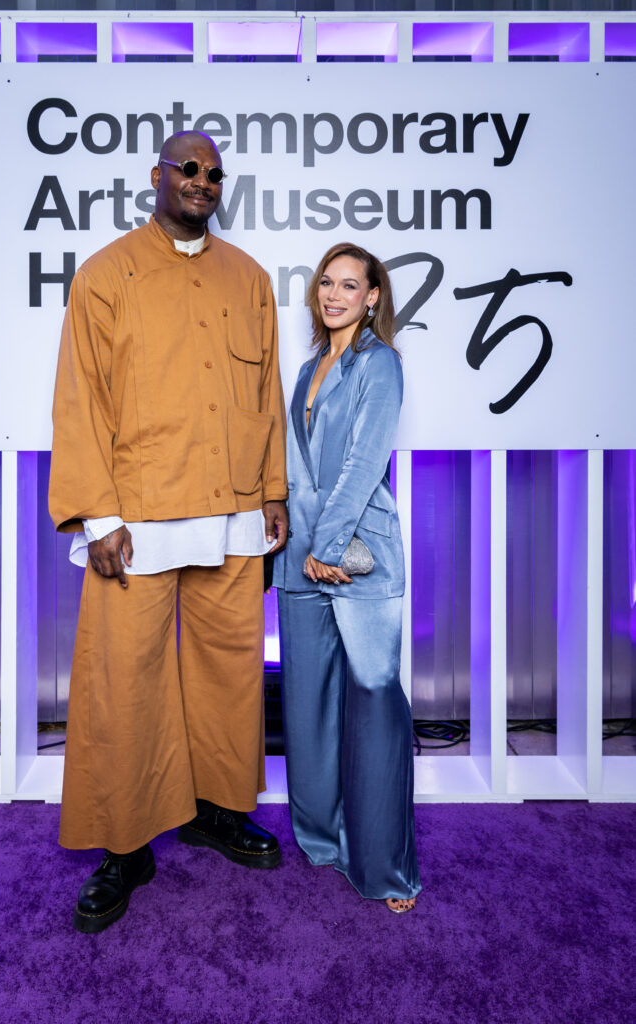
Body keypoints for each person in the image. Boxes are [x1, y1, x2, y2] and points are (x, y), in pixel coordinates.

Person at [49, 131, 289, 933]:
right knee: (125, 681)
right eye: (188, 168)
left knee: (230, 672)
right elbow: (80, 397)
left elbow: (266, 396)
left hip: (233, 508)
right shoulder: (105, 273)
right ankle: (124, 844)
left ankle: (216, 810)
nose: (202, 180)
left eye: (214, 173)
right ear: (156, 176)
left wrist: (274, 493)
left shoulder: (248, 278)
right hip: (136, 515)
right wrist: (99, 514)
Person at [272, 243, 421, 913]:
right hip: (300, 558)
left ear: (372, 297)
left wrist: (327, 545)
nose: (334, 295)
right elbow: (293, 465)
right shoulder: (308, 369)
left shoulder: (379, 362)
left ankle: (386, 869)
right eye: (326, 283)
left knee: (373, 701)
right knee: (306, 709)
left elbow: (365, 461)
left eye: (349, 285)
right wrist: (291, 545)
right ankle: (323, 840)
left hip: (357, 555)